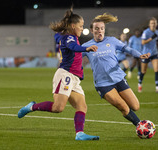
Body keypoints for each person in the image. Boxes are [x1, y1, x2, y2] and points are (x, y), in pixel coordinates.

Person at [18, 7, 99, 141]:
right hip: (65, 75)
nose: (82, 28)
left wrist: (60, 36)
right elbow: (74, 47)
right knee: (58, 108)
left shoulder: (66, 36)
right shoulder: (69, 38)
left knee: (82, 106)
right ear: (73, 26)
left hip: (74, 78)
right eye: (81, 26)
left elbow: (58, 37)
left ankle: (79, 134)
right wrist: (86, 48)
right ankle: (31, 107)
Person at [82, 13, 150, 129]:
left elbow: (127, 48)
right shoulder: (86, 46)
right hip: (103, 84)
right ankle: (141, 127)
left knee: (135, 106)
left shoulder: (112, 41)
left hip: (118, 78)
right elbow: (74, 57)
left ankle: (139, 123)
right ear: (92, 30)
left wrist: (139, 55)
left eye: (102, 28)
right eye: (97, 29)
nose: (100, 31)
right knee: (123, 106)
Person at [138, 17, 158, 93]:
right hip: (146, 54)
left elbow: (155, 42)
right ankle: (139, 83)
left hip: (154, 53)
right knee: (143, 71)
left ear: (157, 24)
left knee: (157, 70)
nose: (153, 24)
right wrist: (151, 38)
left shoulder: (157, 32)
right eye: (152, 23)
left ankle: (157, 88)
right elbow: (143, 42)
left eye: (154, 23)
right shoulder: (146, 32)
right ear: (149, 24)